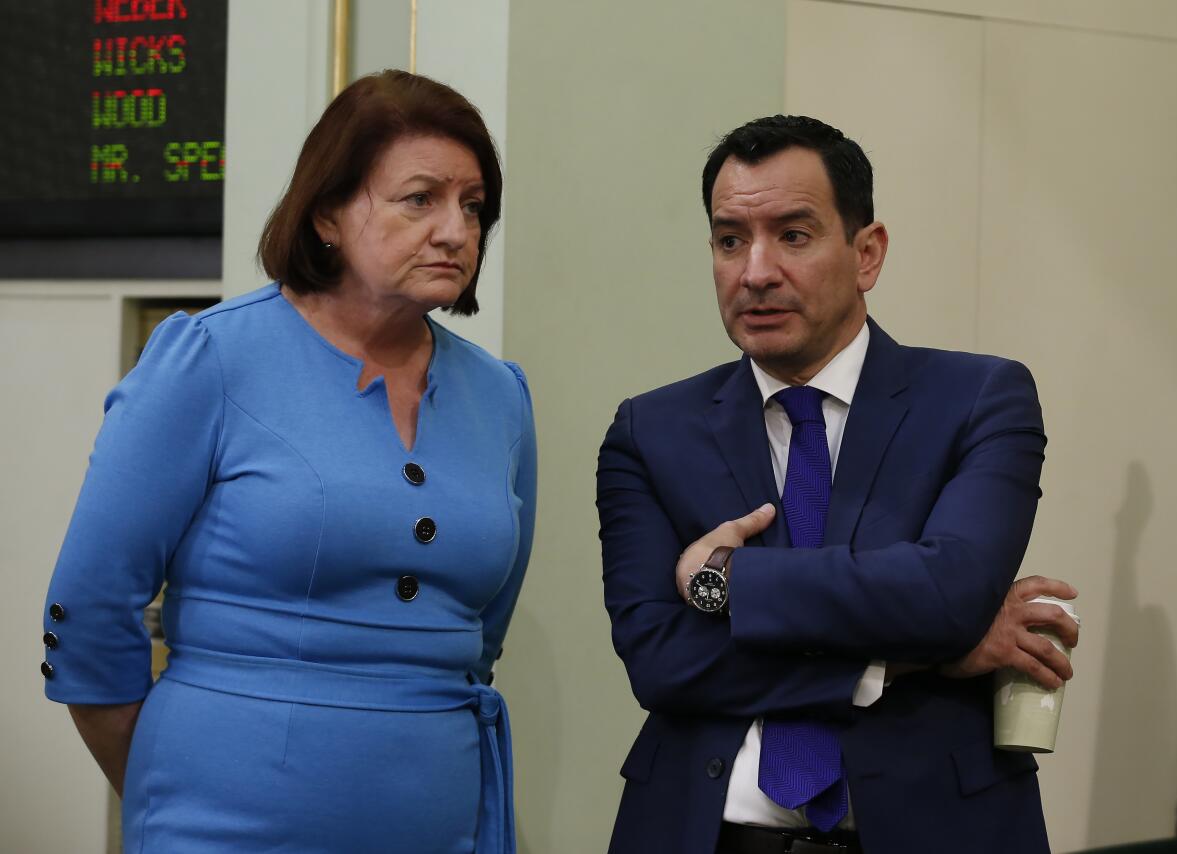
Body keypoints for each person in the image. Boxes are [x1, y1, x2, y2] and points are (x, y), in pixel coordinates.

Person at [41, 70, 534, 853]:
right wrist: (176, 785)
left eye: (473, 206)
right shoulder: (209, 359)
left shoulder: (501, 398)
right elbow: (89, 611)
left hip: (444, 824)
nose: (456, 231)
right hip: (218, 826)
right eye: (420, 199)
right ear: (328, 214)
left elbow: (479, 640)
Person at [596, 115, 1079, 854]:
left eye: (793, 234)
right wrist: (907, 658)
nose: (755, 271)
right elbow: (663, 663)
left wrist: (731, 583)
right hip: (712, 832)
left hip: (936, 828)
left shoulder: (979, 398)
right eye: (730, 240)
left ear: (867, 253)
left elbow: (948, 595)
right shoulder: (651, 431)